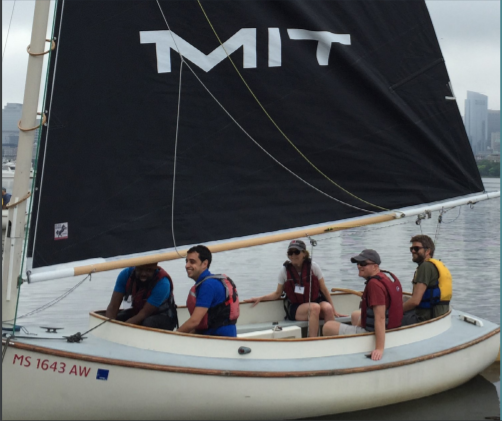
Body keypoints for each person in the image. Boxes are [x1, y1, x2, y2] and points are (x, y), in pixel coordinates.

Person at [248, 239, 345, 338]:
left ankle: (332, 339)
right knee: (314, 308)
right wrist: (260, 298)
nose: (293, 255)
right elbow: (277, 293)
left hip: (315, 301)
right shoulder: (284, 271)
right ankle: (313, 341)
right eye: (290, 253)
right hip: (296, 308)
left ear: (304, 253)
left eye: (296, 252)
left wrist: (334, 310)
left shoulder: (313, 267)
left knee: (327, 308)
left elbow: (324, 289)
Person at [323, 249, 403, 361]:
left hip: (374, 332)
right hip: (391, 328)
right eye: (358, 263)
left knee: (328, 326)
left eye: (363, 264)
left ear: (375, 266)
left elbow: (380, 318)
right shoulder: (384, 277)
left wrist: (379, 349)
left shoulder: (374, 285)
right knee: (356, 314)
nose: (359, 266)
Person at [178, 245, 239, 337]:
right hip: (216, 334)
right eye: (186, 261)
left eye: (192, 262)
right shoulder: (207, 282)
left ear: (204, 264)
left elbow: (194, 321)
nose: (187, 265)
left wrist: (173, 335)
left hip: (219, 338)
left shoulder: (208, 285)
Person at [105, 262, 178, 330]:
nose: (143, 273)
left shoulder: (163, 284)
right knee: (117, 319)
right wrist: (109, 326)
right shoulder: (125, 275)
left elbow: (143, 314)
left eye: (149, 270)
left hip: (163, 316)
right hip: (138, 312)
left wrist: (121, 330)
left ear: (155, 269)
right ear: (135, 267)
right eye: (140, 269)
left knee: (147, 323)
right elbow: (113, 306)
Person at [401, 235, 452, 326]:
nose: (413, 251)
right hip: (440, 317)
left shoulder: (425, 267)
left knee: (380, 319)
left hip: (425, 320)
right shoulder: (436, 265)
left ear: (428, 251)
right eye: (411, 248)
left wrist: (395, 312)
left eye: (416, 248)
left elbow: (415, 301)